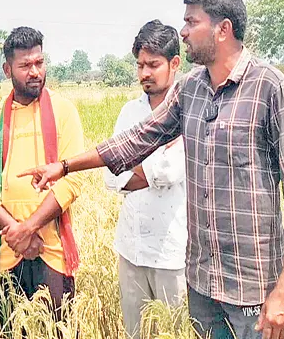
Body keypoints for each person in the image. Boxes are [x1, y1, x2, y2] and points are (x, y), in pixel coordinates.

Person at [20, 0, 284, 339]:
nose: (183, 32)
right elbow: (136, 139)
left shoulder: (269, 88)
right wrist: (64, 167)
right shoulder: (191, 89)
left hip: (252, 289)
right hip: (202, 286)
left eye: (191, 22)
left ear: (222, 29)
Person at [0, 26, 84, 335]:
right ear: (7, 69)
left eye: (39, 62)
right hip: (8, 253)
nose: (35, 72)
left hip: (52, 252)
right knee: (9, 330)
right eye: (25, 65)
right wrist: (16, 232)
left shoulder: (63, 112)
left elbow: (71, 182)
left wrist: (29, 227)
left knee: (57, 330)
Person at [104, 20, 187, 338]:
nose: (144, 73)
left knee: (174, 333)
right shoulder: (129, 112)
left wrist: (133, 162)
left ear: (174, 63)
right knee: (135, 334)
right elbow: (109, 175)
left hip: (172, 252)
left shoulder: (188, 111)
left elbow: (171, 171)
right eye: (140, 65)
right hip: (131, 247)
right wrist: (156, 157)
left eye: (153, 65)